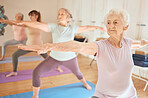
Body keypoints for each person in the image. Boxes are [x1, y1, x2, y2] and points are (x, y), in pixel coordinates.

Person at [19, 9, 148, 98]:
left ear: (125, 26)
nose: (110, 26)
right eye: (108, 22)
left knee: (78, 74)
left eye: (115, 22)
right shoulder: (101, 47)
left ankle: (85, 83)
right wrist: (49, 46)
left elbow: (140, 43)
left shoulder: (128, 43)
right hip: (104, 95)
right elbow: (77, 46)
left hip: (130, 95)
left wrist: (144, 42)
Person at [3, 8, 106, 98]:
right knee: (36, 72)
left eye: (62, 14)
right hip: (54, 58)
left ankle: (85, 84)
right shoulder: (54, 27)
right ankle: (35, 95)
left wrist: (97, 27)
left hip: (70, 58)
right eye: (59, 14)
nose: (59, 15)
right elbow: (38, 25)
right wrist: (24, 23)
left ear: (68, 17)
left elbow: (86, 27)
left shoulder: (72, 28)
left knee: (78, 74)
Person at [0, 10, 48, 77]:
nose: (30, 17)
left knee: (48, 59)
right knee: (14, 55)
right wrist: (4, 21)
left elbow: (51, 27)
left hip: (38, 46)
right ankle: (14, 72)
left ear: (37, 16)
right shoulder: (27, 23)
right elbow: (15, 23)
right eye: (30, 15)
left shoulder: (41, 24)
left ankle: (56, 66)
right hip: (29, 45)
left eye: (32, 15)